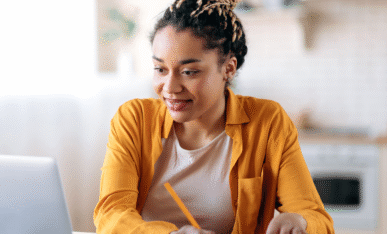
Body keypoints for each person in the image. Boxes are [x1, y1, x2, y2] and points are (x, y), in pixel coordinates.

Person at [93, 0, 334, 233]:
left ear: (228, 69)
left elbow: (316, 218)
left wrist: (300, 222)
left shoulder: (267, 122)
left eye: (189, 72)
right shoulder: (134, 119)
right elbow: (111, 214)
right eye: (160, 69)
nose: (169, 87)